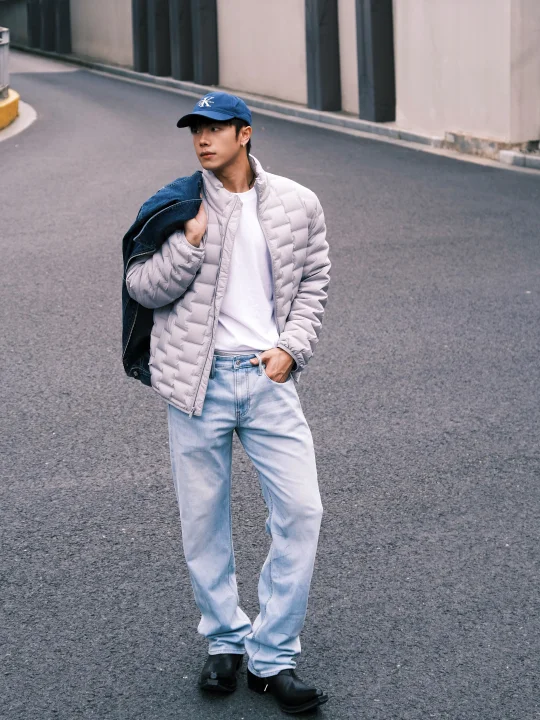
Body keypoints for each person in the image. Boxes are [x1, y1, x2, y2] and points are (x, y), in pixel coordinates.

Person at [124, 91, 331, 714]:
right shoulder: (176, 205)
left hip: (269, 379)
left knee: (302, 512)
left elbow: (314, 281)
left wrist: (291, 348)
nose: (202, 139)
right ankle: (224, 640)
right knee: (203, 521)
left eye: (214, 128)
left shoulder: (298, 203)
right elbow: (141, 287)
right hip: (199, 382)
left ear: (245, 133)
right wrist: (187, 245)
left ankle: (273, 655)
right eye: (195, 129)